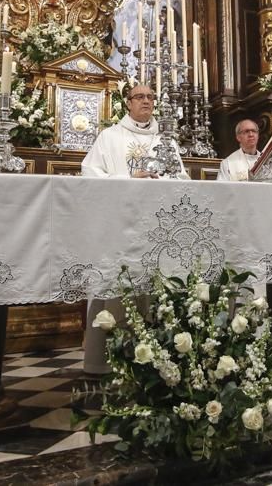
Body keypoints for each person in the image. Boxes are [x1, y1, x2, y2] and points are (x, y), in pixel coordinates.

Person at [81, 84, 187, 375]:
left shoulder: (167, 141)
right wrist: (130, 176)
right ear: (127, 103)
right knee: (117, 289)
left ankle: (162, 361)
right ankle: (110, 364)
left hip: (159, 232)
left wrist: (162, 179)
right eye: (140, 97)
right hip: (120, 230)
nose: (147, 101)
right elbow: (89, 174)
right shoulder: (110, 137)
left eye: (151, 97)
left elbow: (182, 179)